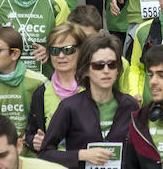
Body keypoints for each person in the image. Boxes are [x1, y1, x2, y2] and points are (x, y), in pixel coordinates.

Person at [37, 33, 138, 168]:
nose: (106, 70)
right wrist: (81, 155)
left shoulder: (130, 105)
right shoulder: (70, 107)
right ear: (85, 70)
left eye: (112, 64)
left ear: (118, 69)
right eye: (98, 65)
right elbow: (45, 153)